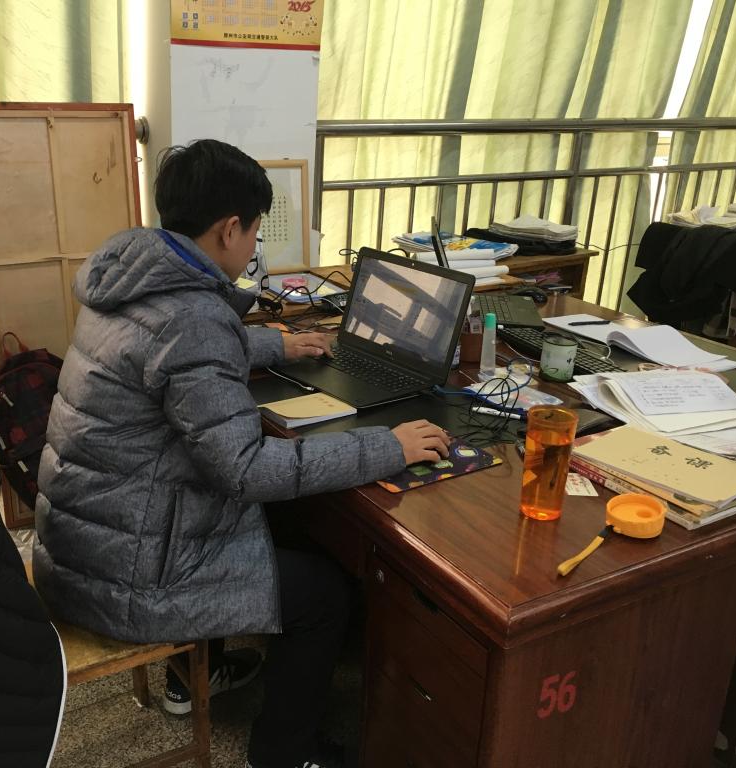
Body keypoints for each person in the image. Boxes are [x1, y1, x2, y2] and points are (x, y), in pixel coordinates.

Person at [32, 138, 450, 768]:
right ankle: (283, 753)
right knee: (324, 593)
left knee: (286, 529)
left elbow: (171, 354)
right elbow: (247, 468)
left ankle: (194, 677)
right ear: (230, 229)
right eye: (255, 231)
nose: (254, 244)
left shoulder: (131, 276)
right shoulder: (191, 316)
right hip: (132, 574)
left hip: (87, 540)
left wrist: (278, 346)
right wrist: (387, 446)